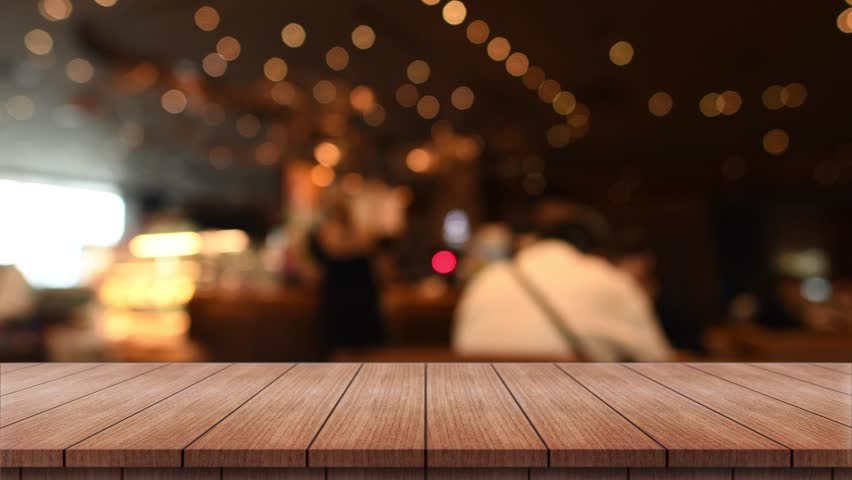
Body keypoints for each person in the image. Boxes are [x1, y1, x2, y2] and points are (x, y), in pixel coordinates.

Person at [453, 201, 674, 361]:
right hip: (571, 416)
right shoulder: (607, 278)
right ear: (595, 249)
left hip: (482, 409)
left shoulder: (489, 278)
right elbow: (658, 359)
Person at [308, 196, 386, 354]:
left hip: (352, 299)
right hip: (345, 299)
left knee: (353, 347)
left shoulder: (359, 235)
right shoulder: (362, 236)